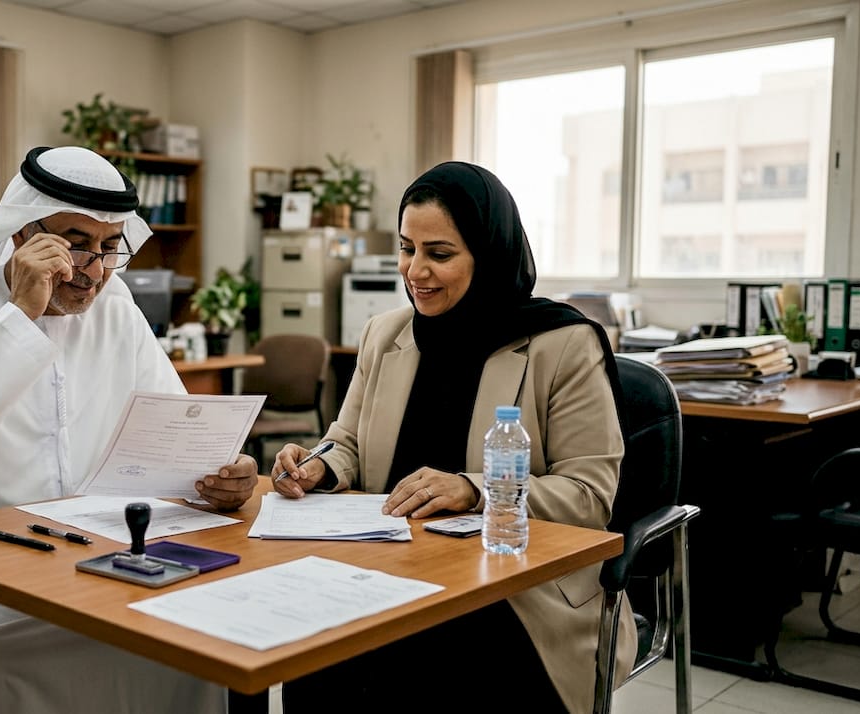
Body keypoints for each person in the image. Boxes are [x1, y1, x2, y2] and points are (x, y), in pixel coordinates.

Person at [0, 146, 258, 713]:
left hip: (92, 558)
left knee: (193, 643)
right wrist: (19, 316)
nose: (93, 270)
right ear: (22, 234)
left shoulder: (114, 308)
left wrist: (218, 472)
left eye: (108, 246)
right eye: (76, 242)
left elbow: (175, 428)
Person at [271, 161, 637, 713]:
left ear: (487, 255)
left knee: (425, 670)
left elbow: (589, 496)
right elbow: (345, 438)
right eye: (405, 248)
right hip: (390, 571)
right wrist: (319, 465)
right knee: (312, 660)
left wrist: (475, 488)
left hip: (512, 592)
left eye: (439, 254)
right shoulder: (386, 333)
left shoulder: (563, 344)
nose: (415, 271)